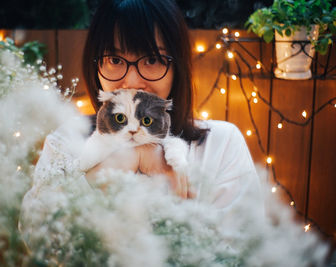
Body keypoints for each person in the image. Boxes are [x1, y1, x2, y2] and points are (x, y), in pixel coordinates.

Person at [34, 0, 262, 208]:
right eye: (114, 60)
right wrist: (114, 168)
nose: (132, 83)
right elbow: (37, 237)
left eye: (152, 59)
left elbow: (243, 247)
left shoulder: (220, 144)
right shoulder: (66, 141)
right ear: (96, 67)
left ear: (177, 69)